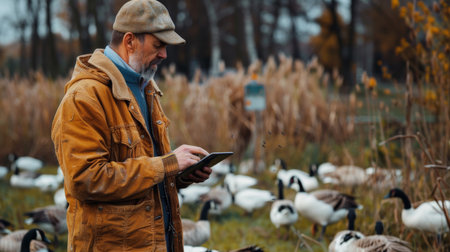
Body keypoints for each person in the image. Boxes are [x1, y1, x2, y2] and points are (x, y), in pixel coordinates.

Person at [51, 0, 212, 251]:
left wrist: (180, 175)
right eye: (158, 45)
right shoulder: (84, 98)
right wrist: (167, 163)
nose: (164, 55)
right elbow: (85, 179)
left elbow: (144, 173)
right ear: (129, 41)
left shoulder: (145, 88)